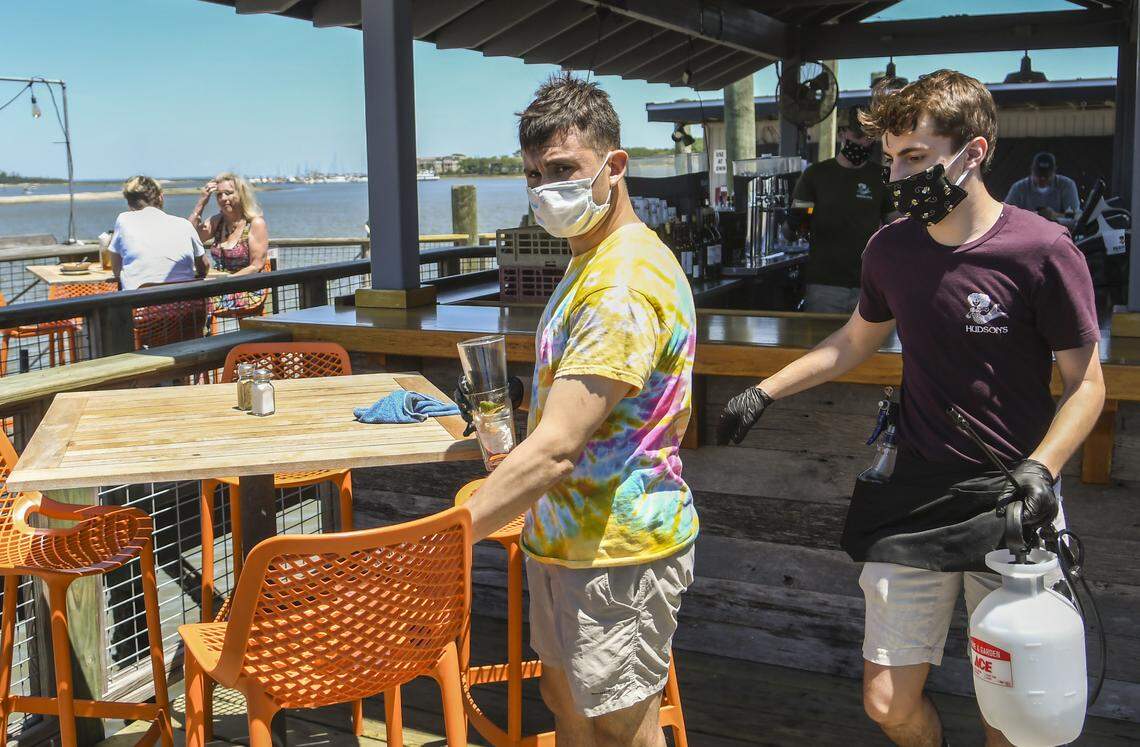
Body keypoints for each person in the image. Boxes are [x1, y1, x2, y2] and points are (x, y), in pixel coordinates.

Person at [716, 70, 1104, 747]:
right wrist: (764, 390)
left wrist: (1042, 469)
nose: (897, 174)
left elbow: (1087, 383)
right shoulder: (890, 248)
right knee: (887, 700)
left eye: (915, 158)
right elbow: (854, 341)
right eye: (892, 157)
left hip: (1013, 494)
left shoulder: (1043, 250)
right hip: (915, 493)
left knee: (1008, 713)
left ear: (975, 151)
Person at [458, 74, 697, 747]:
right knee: (566, 699)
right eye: (534, 174)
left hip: (617, 547)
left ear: (614, 166)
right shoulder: (589, 260)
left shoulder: (622, 282)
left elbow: (560, 444)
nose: (545, 189)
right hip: (566, 538)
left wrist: (447, 535)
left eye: (562, 169)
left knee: (621, 726)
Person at [792, 120, 894, 313]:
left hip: (868, 284)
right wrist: (794, 223)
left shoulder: (881, 176)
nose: (864, 143)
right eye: (857, 136)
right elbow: (797, 224)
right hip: (824, 285)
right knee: (821, 341)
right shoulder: (816, 174)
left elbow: (897, 223)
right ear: (841, 134)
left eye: (869, 137)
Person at [108, 176, 209, 290]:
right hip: (184, 303)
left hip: (139, 304)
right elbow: (204, 267)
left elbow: (116, 270)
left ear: (129, 202)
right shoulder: (185, 224)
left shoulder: (124, 220)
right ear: (161, 197)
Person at [189, 172, 269, 312]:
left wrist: (226, 281)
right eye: (219, 195)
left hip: (247, 288)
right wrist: (201, 203)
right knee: (186, 301)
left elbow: (256, 266)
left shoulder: (254, 223)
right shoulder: (217, 221)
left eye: (228, 193)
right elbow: (189, 237)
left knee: (199, 303)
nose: (223, 198)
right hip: (218, 287)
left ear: (241, 194)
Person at [1004, 152, 1081, 230]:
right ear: (1032, 170)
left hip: (1057, 233)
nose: (1042, 179)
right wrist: (1032, 217)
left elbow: (1076, 218)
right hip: (1027, 233)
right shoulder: (1019, 188)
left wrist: (1054, 216)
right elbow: (1006, 215)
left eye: (1046, 175)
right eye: (1038, 175)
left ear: (1054, 171)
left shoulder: (1066, 185)